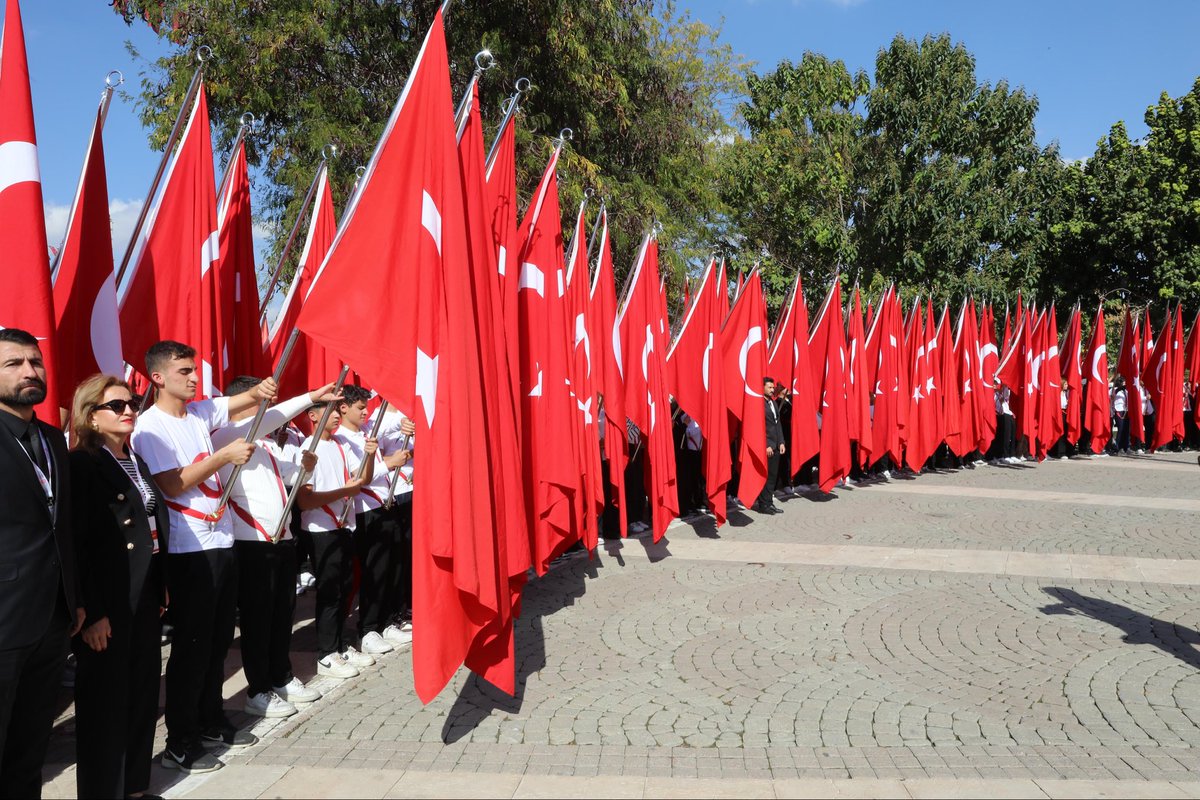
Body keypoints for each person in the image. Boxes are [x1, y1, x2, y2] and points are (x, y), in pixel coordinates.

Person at [130, 341, 276, 774]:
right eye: (184, 372)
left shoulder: (197, 413)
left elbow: (239, 401)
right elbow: (173, 484)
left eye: (194, 370)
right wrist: (223, 457)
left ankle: (210, 720)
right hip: (188, 549)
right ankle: (180, 740)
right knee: (192, 648)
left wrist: (264, 390)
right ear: (158, 377)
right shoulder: (150, 427)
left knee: (216, 643)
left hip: (220, 542)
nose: (195, 378)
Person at [213, 377, 338, 719]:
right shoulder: (226, 437)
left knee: (283, 614)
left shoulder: (267, 445)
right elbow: (268, 420)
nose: (267, 407)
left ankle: (281, 676)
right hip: (251, 544)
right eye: (260, 400)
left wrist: (305, 467)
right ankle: (258, 690)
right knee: (258, 619)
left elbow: (290, 477)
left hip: (281, 540)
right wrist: (310, 397)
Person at [68, 375, 169, 799]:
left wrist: (160, 585)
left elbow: (152, 528)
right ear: (91, 415)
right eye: (116, 405)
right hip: (109, 600)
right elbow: (78, 543)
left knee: (142, 693)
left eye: (131, 403)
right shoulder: (82, 464)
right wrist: (92, 611)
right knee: (105, 704)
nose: (129, 410)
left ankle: (134, 788)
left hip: (143, 592)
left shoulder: (134, 459)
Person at [0, 328, 83, 798]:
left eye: (35, 362)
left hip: (52, 619)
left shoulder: (53, 439)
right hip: (3, 618)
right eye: (13, 364)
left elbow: (63, 527)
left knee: (30, 746)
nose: (29, 371)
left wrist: (75, 598)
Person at [296, 401, 371, 679]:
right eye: (331, 412)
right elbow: (305, 500)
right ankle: (326, 654)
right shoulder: (308, 449)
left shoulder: (340, 444)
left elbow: (362, 479)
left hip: (343, 526)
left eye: (339, 411)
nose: (338, 416)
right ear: (313, 416)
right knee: (329, 593)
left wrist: (370, 455)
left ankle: (340, 645)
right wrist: (343, 492)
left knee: (346, 587)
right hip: (320, 530)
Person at [335, 387, 408, 655]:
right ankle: (367, 629)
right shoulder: (341, 438)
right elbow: (356, 475)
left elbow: (388, 426)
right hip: (365, 510)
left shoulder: (364, 433)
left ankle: (386, 622)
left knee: (391, 567)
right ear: (344, 408)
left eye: (366, 407)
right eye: (360, 408)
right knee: (373, 571)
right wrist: (389, 464)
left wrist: (403, 424)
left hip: (384, 505)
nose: (366, 412)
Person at [368, 403, 416, 641]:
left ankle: (413, 604)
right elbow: (373, 445)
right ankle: (400, 611)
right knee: (400, 555)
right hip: (395, 491)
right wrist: (398, 424)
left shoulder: (417, 407)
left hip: (417, 487)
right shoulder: (379, 414)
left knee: (414, 552)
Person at [754, 376, 784, 514]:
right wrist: (766, 445)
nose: (772, 390)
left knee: (773, 476)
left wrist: (781, 442)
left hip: (776, 445)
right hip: (767, 446)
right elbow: (758, 427)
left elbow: (777, 424)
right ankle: (763, 505)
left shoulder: (773, 403)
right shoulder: (759, 404)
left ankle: (769, 502)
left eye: (773, 387)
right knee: (765, 476)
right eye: (769, 387)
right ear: (762, 388)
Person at [1111, 377, 1131, 455]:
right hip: (1118, 410)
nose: (1124, 384)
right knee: (1120, 429)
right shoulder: (1114, 390)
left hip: (1125, 410)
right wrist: (1115, 392)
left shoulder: (1125, 390)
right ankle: (1118, 447)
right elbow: (1111, 397)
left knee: (1126, 430)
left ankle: (1125, 447)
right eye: (1123, 382)